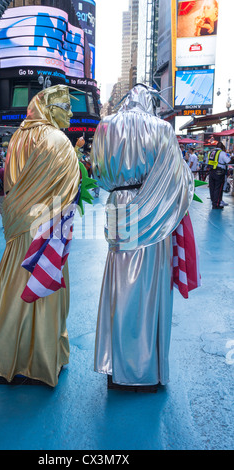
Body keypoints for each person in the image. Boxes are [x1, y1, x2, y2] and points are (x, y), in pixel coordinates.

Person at [0, 85, 82, 387]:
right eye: (65, 106)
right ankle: (37, 360)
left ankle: (2, 356)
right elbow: (67, 192)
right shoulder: (57, 140)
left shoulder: (19, 136)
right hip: (45, 228)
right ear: (49, 108)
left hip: (18, 222)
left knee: (12, 280)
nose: (71, 113)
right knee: (41, 280)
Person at [91, 84, 195, 391]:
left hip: (118, 207)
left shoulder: (106, 126)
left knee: (119, 283)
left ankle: (116, 367)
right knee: (150, 286)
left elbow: (97, 172)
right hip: (155, 212)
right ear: (151, 101)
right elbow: (179, 179)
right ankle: (145, 370)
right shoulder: (163, 129)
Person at [208, 142, 233, 209]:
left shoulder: (211, 152)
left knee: (212, 188)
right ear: (222, 147)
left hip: (211, 172)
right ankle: (217, 204)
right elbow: (228, 161)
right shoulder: (222, 153)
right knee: (218, 188)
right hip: (219, 173)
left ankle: (214, 202)